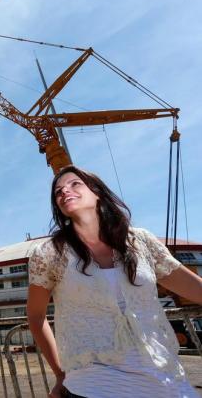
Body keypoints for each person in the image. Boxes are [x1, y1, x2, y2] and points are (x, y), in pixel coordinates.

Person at [27, 165, 202, 398]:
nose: (64, 191)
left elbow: (192, 286)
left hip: (164, 377)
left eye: (74, 183)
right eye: (58, 191)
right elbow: (36, 317)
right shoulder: (49, 253)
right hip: (93, 382)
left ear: (97, 192)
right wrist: (60, 374)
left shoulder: (141, 241)